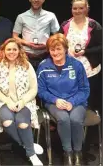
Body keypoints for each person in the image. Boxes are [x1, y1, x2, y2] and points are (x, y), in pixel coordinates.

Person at [37, 33, 90, 165]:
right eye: (52, 49)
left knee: (75, 119)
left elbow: (84, 90)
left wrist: (72, 102)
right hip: (54, 102)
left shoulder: (76, 65)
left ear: (65, 49)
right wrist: (55, 100)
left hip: (76, 101)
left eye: (58, 49)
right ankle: (67, 152)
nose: (55, 52)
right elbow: (41, 90)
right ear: (49, 50)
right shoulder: (43, 66)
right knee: (63, 118)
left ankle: (77, 152)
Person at [0, 38, 43, 166]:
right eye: (9, 49)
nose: (12, 52)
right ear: (3, 51)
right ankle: (30, 148)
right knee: (7, 122)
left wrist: (22, 101)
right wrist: (7, 101)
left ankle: (30, 153)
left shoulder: (27, 65)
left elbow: (33, 88)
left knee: (23, 124)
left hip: (24, 102)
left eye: (15, 49)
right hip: (4, 103)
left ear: (19, 51)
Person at [59, 0, 102, 113]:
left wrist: (85, 51)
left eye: (81, 8)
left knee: (88, 101)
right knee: (70, 98)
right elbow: (58, 43)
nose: (77, 11)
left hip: (89, 70)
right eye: (75, 8)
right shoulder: (65, 25)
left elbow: (101, 46)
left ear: (86, 9)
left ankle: (87, 123)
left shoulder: (94, 25)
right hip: (69, 68)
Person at [13, 0, 60, 70]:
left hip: (45, 54)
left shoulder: (51, 16)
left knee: (45, 81)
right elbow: (15, 37)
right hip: (26, 55)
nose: (36, 0)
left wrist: (47, 45)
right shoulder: (21, 17)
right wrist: (28, 44)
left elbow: (57, 36)